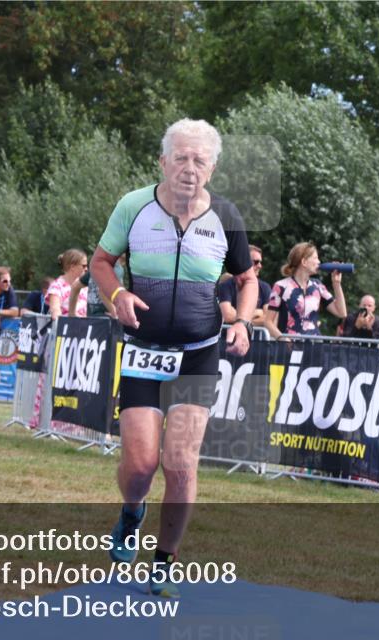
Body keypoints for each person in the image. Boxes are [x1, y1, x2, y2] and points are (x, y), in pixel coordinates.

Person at [90, 118, 256, 598]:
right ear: (162, 161)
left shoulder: (226, 216)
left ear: (213, 167)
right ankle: (131, 512)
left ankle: (164, 561)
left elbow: (246, 279)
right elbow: (101, 261)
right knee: (141, 466)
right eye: (180, 158)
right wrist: (117, 292)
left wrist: (242, 322)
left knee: (181, 462)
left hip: (198, 353)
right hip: (144, 351)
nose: (189, 168)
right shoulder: (134, 206)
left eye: (199, 160)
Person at [264, 242, 346, 340]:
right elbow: (268, 322)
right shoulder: (281, 286)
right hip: (288, 347)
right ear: (304, 262)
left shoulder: (318, 285)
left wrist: (336, 284)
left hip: (314, 347)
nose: (319, 261)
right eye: (315, 258)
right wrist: (283, 339)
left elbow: (341, 313)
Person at [219, 245, 272, 327]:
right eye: (256, 262)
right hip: (230, 338)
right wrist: (257, 312)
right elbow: (228, 316)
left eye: (260, 262)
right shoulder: (226, 286)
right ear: (244, 261)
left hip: (258, 339)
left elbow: (268, 319)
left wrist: (240, 319)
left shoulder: (265, 287)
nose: (260, 266)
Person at [70, 253, 124, 317]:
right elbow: (102, 292)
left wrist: (71, 314)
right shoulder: (116, 268)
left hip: (92, 319)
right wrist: (115, 313)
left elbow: (75, 286)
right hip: (106, 319)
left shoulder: (98, 266)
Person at [47, 249, 88, 320]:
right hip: (65, 328)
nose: (86, 269)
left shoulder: (85, 286)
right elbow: (55, 310)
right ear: (72, 267)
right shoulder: (56, 286)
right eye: (83, 266)